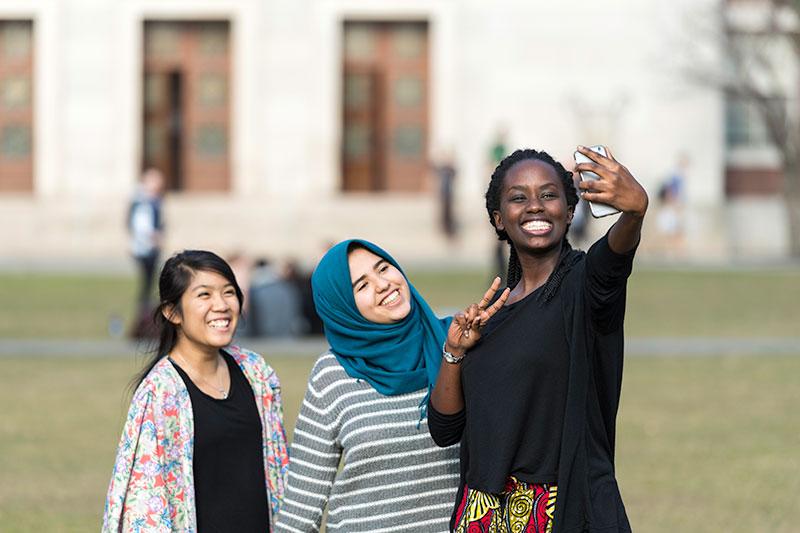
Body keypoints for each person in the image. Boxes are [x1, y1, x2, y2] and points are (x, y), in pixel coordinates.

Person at [428, 146, 648, 533]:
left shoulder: (583, 287)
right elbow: (444, 430)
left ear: (569, 210)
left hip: (558, 514)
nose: (535, 206)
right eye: (518, 198)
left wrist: (634, 213)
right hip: (482, 516)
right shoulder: (491, 313)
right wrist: (455, 353)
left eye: (548, 195)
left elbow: (612, 264)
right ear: (499, 219)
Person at [275, 240, 484, 533]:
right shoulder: (332, 375)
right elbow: (302, 502)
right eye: (361, 286)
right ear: (342, 307)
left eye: (383, 268)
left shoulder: (458, 344)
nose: (383, 284)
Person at [103, 250, 289, 532]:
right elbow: (145, 505)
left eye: (229, 292)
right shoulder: (161, 393)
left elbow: (279, 471)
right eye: (204, 295)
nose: (222, 305)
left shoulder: (256, 373)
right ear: (172, 312)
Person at [127, 167, 165, 338]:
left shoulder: (151, 199)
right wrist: (153, 237)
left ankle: (146, 318)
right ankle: (143, 320)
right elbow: (140, 225)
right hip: (145, 250)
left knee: (150, 286)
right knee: (147, 287)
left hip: (148, 249)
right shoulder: (143, 201)